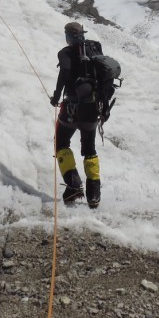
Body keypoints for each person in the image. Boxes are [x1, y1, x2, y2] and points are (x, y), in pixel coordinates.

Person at [50, 21, 105, 208]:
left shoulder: (65, 53)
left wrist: (56, 96)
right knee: (89, 150)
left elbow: (65, 71)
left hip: (72, 108)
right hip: (92, 108)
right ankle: (94, 195)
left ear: (68, 37)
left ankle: (73, 185)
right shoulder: (95, 48)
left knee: (61, 143)